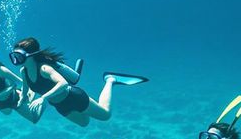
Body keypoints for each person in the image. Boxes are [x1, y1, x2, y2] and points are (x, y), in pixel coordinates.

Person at [9, 37, 146, 126]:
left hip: (74, 97)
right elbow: (26, 90)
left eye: (18, 57)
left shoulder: (44, 68)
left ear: (31, 56)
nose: (16, 61)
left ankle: (110, 80)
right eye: (14, 57)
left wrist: (43, 98)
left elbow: (63, 83)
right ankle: (78, 74)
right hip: (60, 106)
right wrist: (21, 100)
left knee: (105, 115)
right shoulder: (24, 72)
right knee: (84, 123)